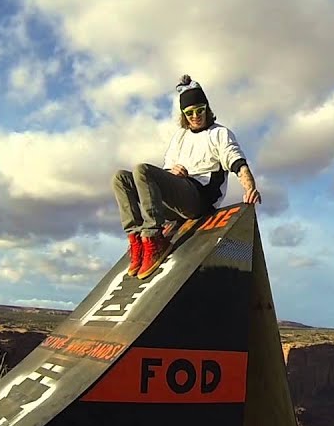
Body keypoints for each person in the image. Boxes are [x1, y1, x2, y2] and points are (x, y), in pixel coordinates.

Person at [112, 75, 262, 278]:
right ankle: (136, 240)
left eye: (199, 110)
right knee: (121, 178)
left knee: (142, 169)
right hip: (176, 197)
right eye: (189, 113)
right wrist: (172, 172)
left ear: (207, 109)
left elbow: (236, 161)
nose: (195, 116)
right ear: (184, 114)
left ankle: (153, 239)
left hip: (199, 198)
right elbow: (164, 171)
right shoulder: (180, 137)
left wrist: (249, 188)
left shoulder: (219, 133)